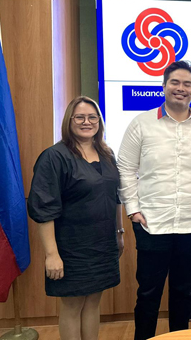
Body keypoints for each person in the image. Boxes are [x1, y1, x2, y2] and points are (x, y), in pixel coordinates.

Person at [118, 60, 191, 339]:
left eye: (187, 84)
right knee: (148, 294)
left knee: (183, 292)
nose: (181, 88)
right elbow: (126, 168)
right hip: (152, 223)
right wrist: (133, 210)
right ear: (164, 86)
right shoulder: (141, 123)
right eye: (175, 82)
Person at [28, 96, 123, 340]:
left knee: (93, 302)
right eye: (79, 117)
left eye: (92, 117)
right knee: (72, 306)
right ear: (69, 121)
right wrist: (52, 255)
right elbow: (44, 208)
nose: (86, 122)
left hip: (102, 245)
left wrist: (119, 233)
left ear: (99, 122)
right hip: (71, 248)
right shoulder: (54, 156)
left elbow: (115, 197)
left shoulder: (107, 153)